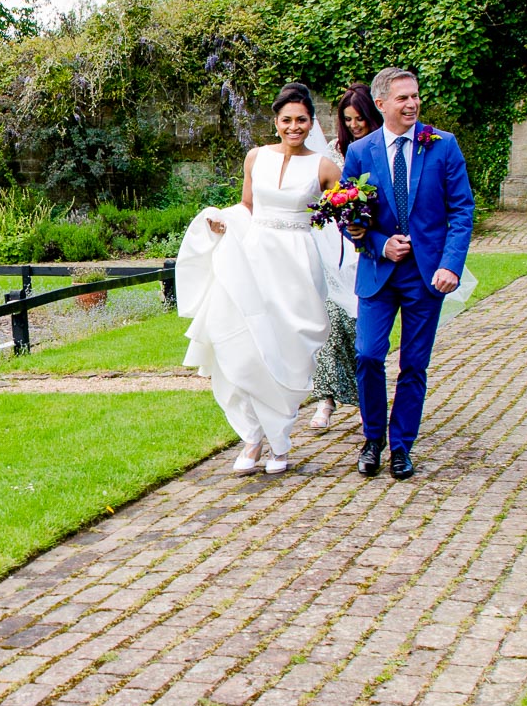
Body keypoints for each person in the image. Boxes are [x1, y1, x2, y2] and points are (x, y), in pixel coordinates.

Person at [177, 83, 339, 476]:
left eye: (302, 120)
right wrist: (223, 222)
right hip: (254, 260)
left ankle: (280, 441)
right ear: (276, 121)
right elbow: (248, 207)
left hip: (298, 267)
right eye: (287, 120)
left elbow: (340, 218)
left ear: (311, 123)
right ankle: (253, 436)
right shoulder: (256, 158)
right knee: (244, 346)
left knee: (287, 353)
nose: (294, 127)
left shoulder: (325, 167)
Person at [340, 68, 474, 481]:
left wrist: (450, 264)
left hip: (426, 275)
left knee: (414, 364)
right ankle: (372, 439)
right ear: (381, 104)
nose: (413, 104)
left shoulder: (443, 146)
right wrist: (379, 243)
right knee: (367, 355)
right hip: (379, 274)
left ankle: (401, 447)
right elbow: (348, 214)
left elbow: (461, 210)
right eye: (403, 98)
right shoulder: (361, 152)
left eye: (415, 96)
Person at [306, 83, 381, 428]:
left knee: (359, 331)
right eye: (348, 119)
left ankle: (368, 399)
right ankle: (325, 399)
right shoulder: (335, 152)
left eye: (360, 118)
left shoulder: (382, 150)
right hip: (335, 250)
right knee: (330, 321)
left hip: (371, 249)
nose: (355, 125)